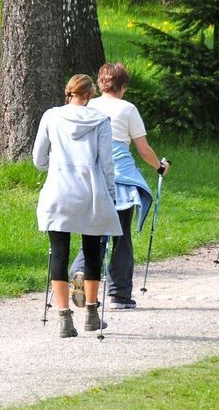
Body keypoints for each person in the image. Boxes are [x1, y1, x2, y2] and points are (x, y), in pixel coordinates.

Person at [69, 63, 170, 310]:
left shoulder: (89, 106)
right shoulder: (128, 109)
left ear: (100, 84)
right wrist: (159, 166)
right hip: (121, 179)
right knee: (120, 235)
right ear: (123, 86)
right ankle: (120, 295)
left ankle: (80, 270)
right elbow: (143, 149)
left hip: (92, 178)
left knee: (95, 232)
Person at [33, 74, 123, 338]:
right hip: (90, 192)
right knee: (92, 251)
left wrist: (58, 166)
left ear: (68, 92)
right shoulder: (100, 121)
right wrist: (110, 192)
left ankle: (63, 317)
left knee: (59, 252)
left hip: (58, 192)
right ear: (89, 95)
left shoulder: (51, 117)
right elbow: (106, 162)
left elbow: (38, 159)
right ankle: (92, 314)